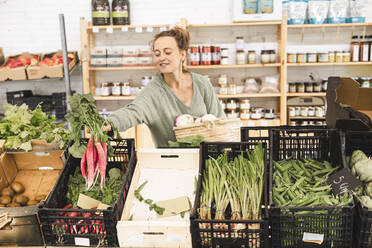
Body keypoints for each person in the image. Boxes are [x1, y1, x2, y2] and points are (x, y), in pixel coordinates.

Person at [106, 26, 225, 147]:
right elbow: (132, 112)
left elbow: (221, 122)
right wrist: (110, 123)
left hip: (206, 161)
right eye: (157, 54)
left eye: (167, 52)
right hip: (169, 161)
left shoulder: (202, 84)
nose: (161, 57)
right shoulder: (153, 91)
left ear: (182, 55)